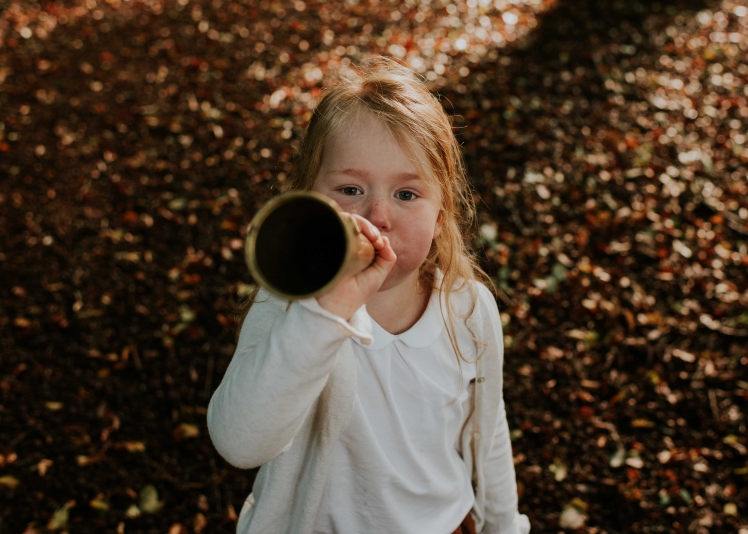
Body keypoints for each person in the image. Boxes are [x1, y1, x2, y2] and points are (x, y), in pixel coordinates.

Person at [207, 57, 530, 534]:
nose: (378, 216)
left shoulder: (468, 308)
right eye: (351, 189)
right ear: (311, 202)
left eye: (406, 195)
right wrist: (327, 308)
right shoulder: (292, 311)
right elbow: (239, 442)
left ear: (441, 214)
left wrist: (504, 526)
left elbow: (488, 427)